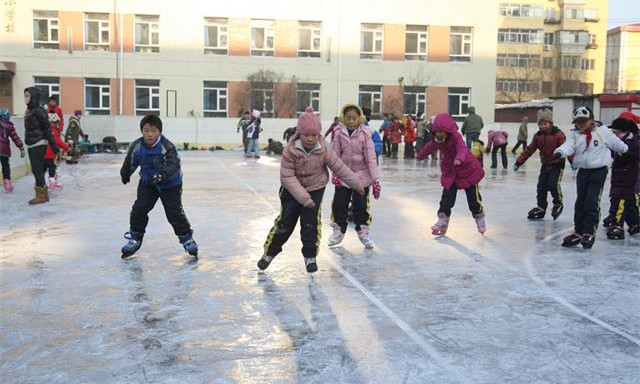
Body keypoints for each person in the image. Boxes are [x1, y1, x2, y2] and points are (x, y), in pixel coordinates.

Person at [257, 107, 364, 273]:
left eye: (314, 135)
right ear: (300, 133)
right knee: (285, 223)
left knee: (310, 223)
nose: (310, 139)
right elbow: (287, 178)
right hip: (292, 192)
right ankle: (269, 253)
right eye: (306, 135)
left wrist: (356, 183)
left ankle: (310, 256)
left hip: (315, 188)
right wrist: (304, 198)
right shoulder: (290, 150)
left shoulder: (323, 148)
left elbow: (339, 166)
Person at [119, 114, 198, 259]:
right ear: (141, 131)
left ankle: (186, 238)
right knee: (139, 208)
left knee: (174, 212)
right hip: (148, 183)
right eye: (146, 130)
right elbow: (131, 161)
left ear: (159, 132)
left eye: (153, 131)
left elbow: (174, 163)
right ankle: (135, 237)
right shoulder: (137, 146)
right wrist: (125, 174)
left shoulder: (166, 146)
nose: (150, 134)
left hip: (170, 184)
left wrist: (163, 175)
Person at [554, 106, 628, 249]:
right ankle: (578, 231)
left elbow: (616, 144)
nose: (580, 125)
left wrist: (625, 150)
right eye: (578, 122)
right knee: (580, 201)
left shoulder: (603, 132)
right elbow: (568, 146)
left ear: (592, 120)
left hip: (599, 171)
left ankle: (589, 231)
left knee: (591, 201)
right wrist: (559, 152)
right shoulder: (574, 134)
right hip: (583, 171)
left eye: (584, 121)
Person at [416, 113, 486, 236]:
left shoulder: (456, 137)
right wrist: (420, 155)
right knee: (447, 197)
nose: (439, 134)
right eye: (437, 132)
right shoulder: (437, 141)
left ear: (448, 131)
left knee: (473, 198)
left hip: (467, 168)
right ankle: (443, 219)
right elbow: (429, 147)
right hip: (451, 170)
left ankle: (479, 216)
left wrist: (459, 158)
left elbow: (462, 148)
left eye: (442, 132)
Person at [327, 104, 381, 249]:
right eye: (348, 118)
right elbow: (335, 155)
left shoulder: (365, 134)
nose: (351, 121)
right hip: (344, 174)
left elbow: (371, 158)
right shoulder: (338, 133)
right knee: (339, 203)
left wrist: (375, 180)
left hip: (361, 176)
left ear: (359, 119)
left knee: (361, 205)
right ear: (343, 119)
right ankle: (338, 230)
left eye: (354, 118)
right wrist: (336, 173)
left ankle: (363, 231)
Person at [513, 109, 567, 221]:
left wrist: (574, 162)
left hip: (557, 165)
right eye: (540, 124)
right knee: (541, 187)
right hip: (545, 165)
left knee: (553, 185)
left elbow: (567, 148)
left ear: (551, 123)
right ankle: (541, 207)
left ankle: (558, 203)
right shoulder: (537, 136)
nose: (543, 126)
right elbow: (529, 150)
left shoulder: (558, 134)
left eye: (545, 124)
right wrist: (519, 162)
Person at [602, 113, 640, 239]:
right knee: (625, 200)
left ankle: (617, 223)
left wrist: (621, 154)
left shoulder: (633, 143)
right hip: (619, 176)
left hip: (628, 177)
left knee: (620, 200)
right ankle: (634, 222)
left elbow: (630, 156)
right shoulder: (618, 143)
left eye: (616, 132)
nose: (614, 135)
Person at [24, 87, 58, 205]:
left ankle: (41, 195)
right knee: (36, 169)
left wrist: (53, 144)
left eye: (28, 96)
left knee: (37, 168)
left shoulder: (39, 110)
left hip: (39, 142)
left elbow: (47, 128)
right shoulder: (29, 110)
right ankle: (43, 194)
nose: (25, 99)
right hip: (31, 142)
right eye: (25, 96)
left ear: (34, 97)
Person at [0, 108, 25, 193]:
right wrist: (21, 147)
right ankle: (7, 183)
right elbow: (15, 137)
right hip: (4, 150)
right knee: (5, 166)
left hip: (3, 149)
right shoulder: (9, 126)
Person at [44, 112, 70, 190]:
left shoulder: (45, 129)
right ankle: (52, 183)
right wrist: (67, 147)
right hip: (51, 153)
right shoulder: (54, 131)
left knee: (43, 168)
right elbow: (58, 141)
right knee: (52, 167)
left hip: (42, 153)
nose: (58, 124)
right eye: (56, 122)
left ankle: (40, 183)